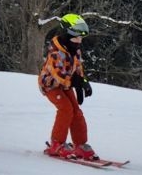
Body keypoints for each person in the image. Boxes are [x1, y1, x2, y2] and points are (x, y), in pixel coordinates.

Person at [39, 13, 98, 160]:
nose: (79, 41)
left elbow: (77, 68)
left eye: (81, 38)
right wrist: (75, 82)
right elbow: (59, 75)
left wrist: (82, 83)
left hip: (65, 86)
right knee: (66, 109)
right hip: (51, 86)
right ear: (67, 35)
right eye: (76, 38)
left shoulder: (75, 49)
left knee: (76, 112)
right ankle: (56, 144)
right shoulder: (56, 53)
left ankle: (80, 145)